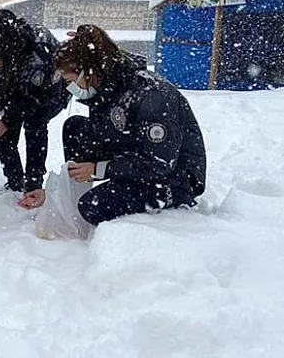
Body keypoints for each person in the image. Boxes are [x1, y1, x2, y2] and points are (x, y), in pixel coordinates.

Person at [22, 24, 207, 225]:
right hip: (134, 154)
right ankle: (75, 196)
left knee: (92, 207)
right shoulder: (106, 85)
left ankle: (109, 200)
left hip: (172, 178)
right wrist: (61, 188)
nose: (69, 88)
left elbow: (159, 163)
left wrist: (99, 169)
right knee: (74, 128)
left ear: (88, 72)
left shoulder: (153, 96)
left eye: (71, 81)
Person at [0, 9, 71, 202]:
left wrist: (8, 118)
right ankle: (15, 183)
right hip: (10, 89)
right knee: (2, 132)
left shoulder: (40, 52)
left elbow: (39, 104)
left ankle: (33, 184)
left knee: (34, 126)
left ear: (7, 57)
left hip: (48, 93)